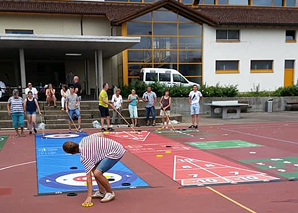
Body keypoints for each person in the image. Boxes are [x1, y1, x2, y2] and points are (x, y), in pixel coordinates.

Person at [62, 132, 125, 205]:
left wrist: (89, 196)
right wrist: (102, 146)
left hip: (116, 152)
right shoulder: (84, 139)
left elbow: (89, 178)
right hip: (115, 146)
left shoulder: (85, 157)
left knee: (97, 173)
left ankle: (110, 193)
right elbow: (101, 134)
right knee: (93, 167)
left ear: (72, 153)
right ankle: (101, 192)